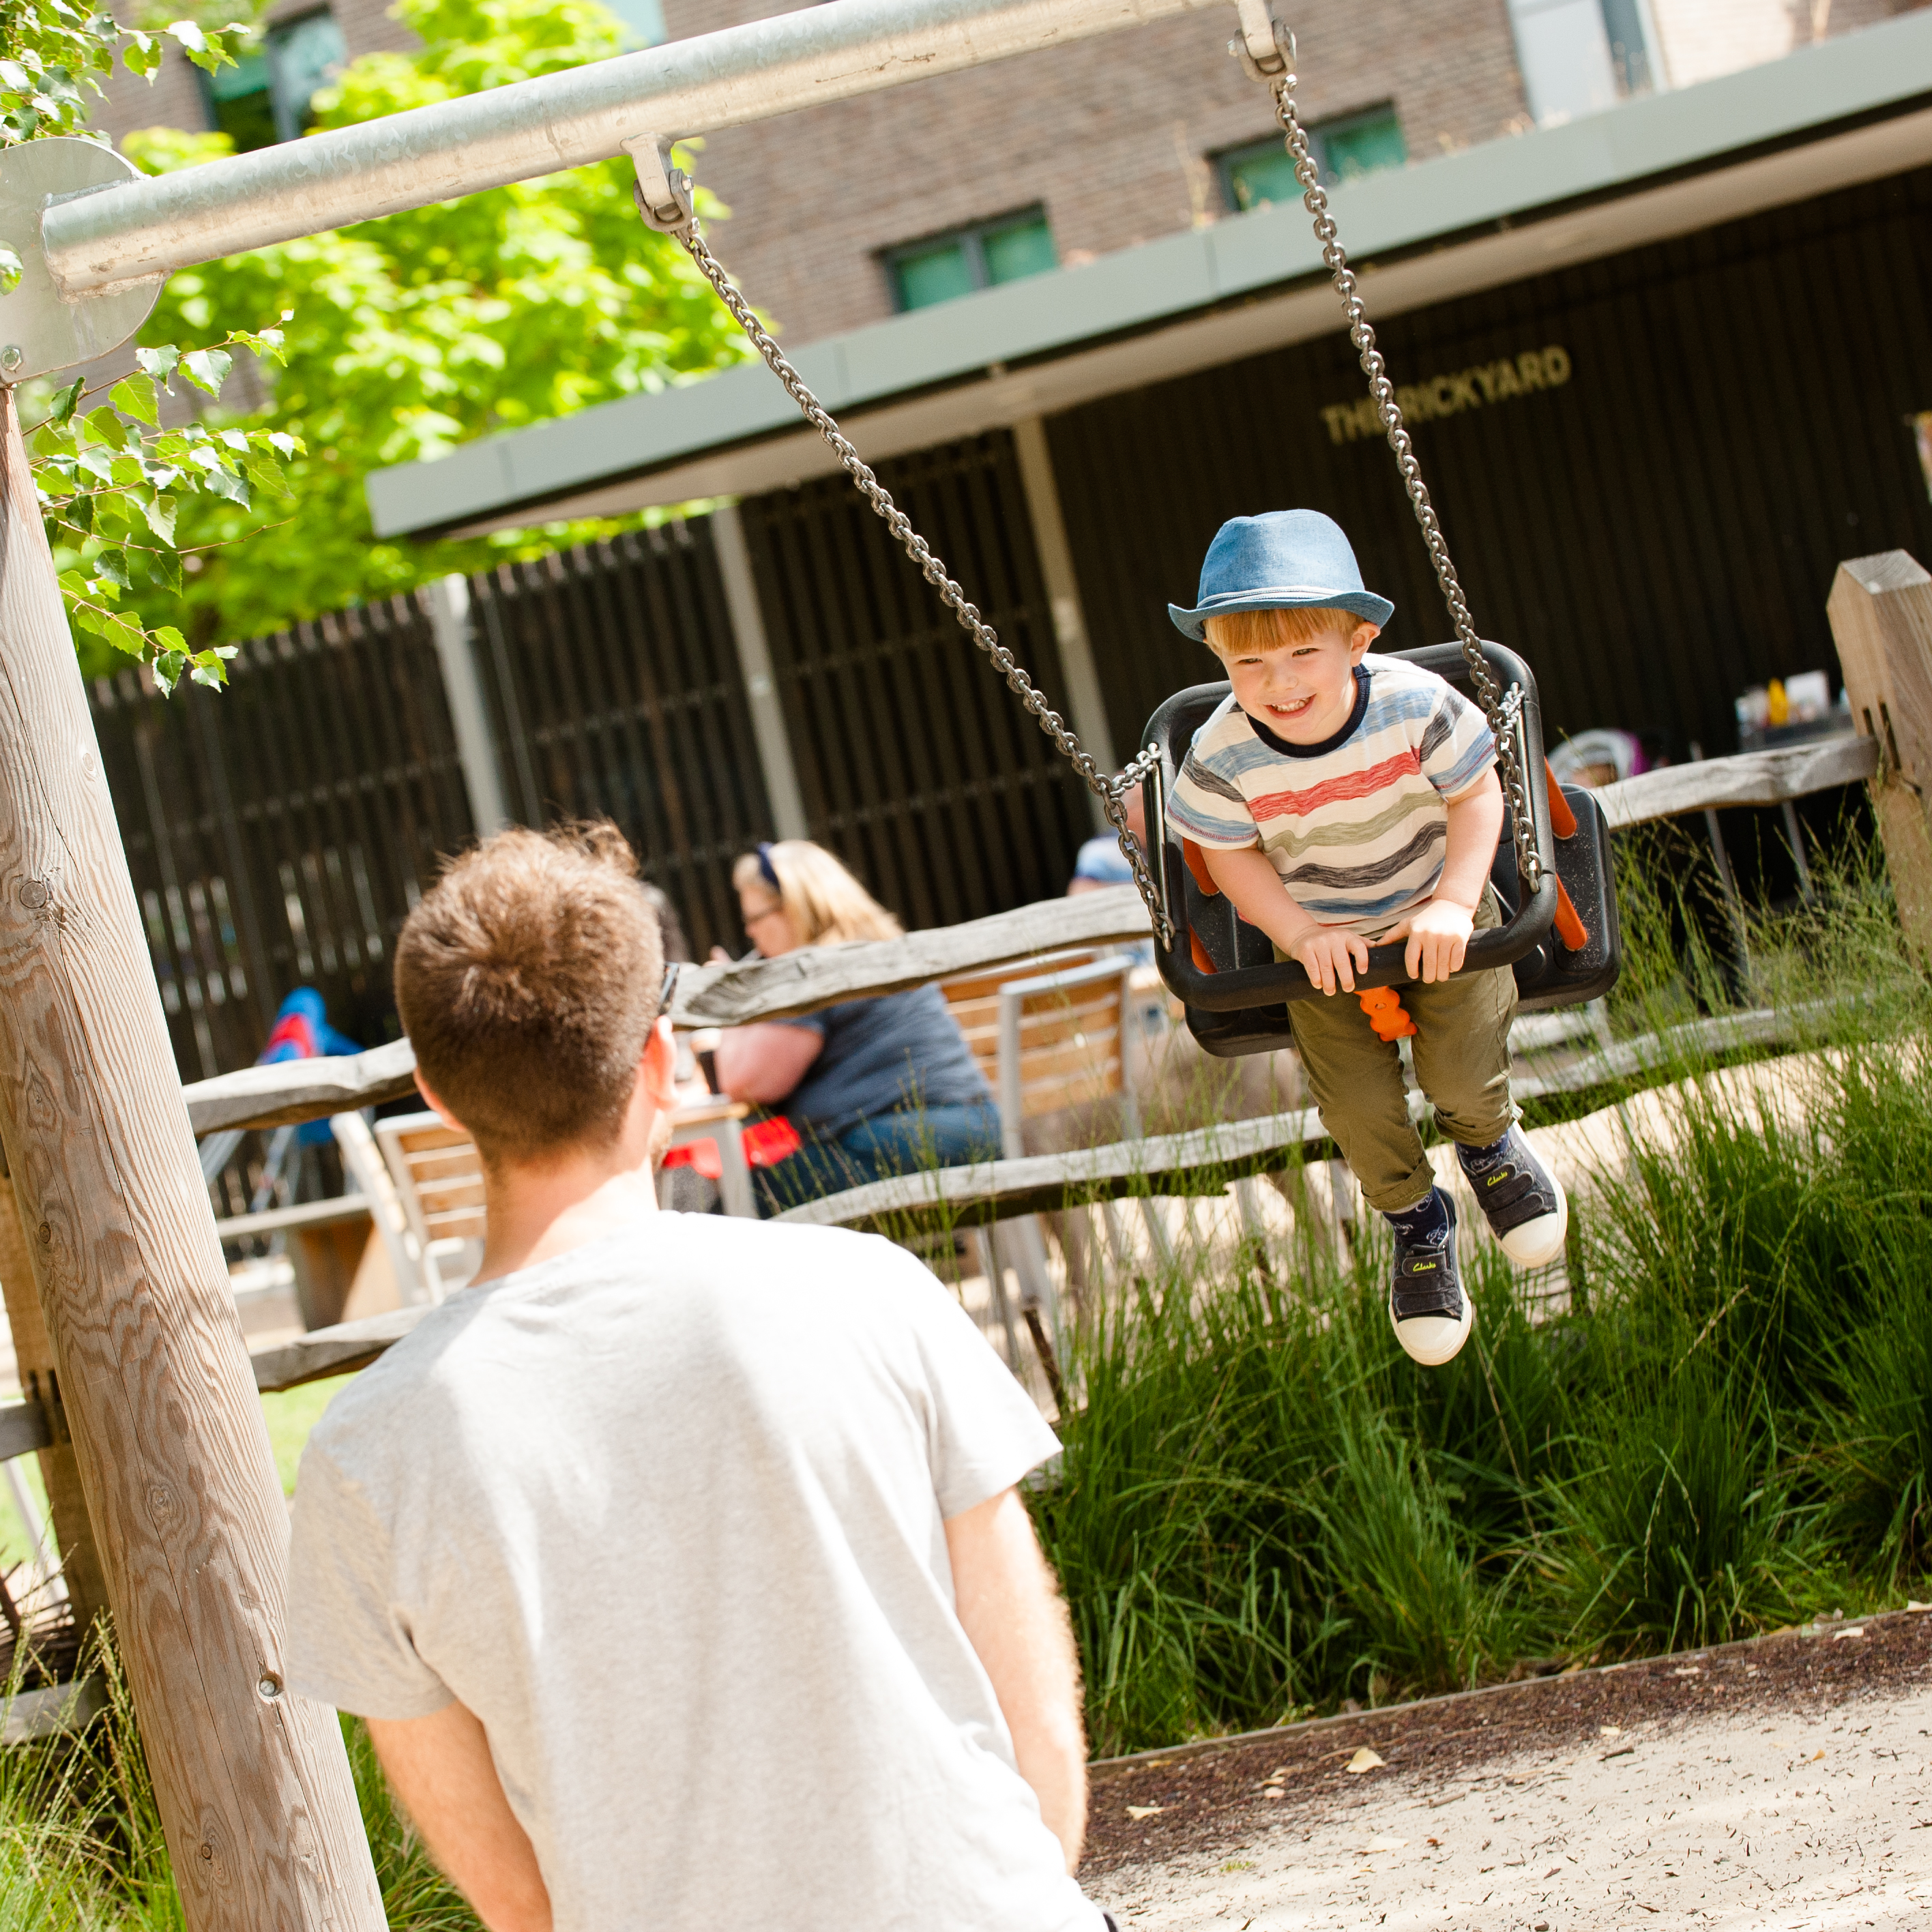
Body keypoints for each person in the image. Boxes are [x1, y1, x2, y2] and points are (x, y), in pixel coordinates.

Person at [284, 823, 1109, 1932]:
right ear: (662, 1058)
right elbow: (1032, 1707)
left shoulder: (362, 1457)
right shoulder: (872, 1290)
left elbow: (514, 1897)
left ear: (436, 1094)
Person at [1163, 510, 1567, 1366]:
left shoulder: (1418, 706)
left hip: (1435, 910)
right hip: (1323, 948)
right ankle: (1416, 1219)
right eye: (1248, 662)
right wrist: (1296, 929)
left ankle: (1490, 1146)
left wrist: (1457, 900)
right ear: (1218, 660)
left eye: (1303, 653)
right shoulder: (1222, 753)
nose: (1278, 683)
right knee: (1355, 1102)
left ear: (1359, 637)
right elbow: (1230, 856)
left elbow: (1477, 796)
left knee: (1458, 1067)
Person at [710, 840, 999, 1212]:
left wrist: (728, 1000)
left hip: (896, 1144)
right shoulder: (885, 948)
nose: (750, 932)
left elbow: (746, 1083)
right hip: (980, 1132)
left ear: (793, 911)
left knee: (739, 1206)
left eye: (754, 918)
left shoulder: (811, 968)